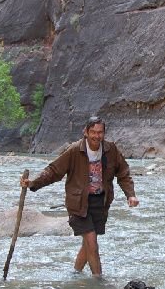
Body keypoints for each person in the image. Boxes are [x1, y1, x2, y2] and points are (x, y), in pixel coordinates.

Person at [21, 115, 139, 276]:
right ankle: (99, 282)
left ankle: (75, 274)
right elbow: (54, 171)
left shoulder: (110, 150)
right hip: (78, 203)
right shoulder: (75, 150)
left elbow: (123, 173)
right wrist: (33, 183)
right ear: (85, 132)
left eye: (100, 132)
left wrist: (130, 195)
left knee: (88, 244)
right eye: (93, 132)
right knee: (92, 242)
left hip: (101, 202)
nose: (97, 136)